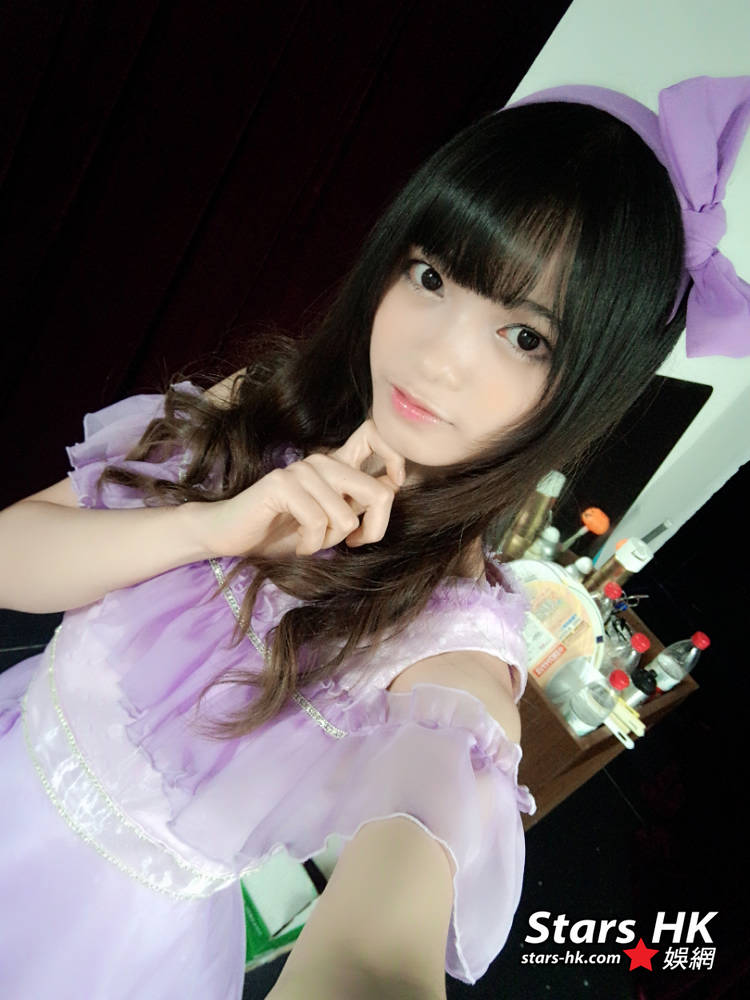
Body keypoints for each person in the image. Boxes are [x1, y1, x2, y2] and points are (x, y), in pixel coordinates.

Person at [1, 76, 748, 1000]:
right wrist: (208, 528)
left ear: (588, 388)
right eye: (431, 277)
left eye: (525, 336)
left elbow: (374, 961)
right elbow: (9, 556)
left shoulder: (453, 647)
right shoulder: (260, 408)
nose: (437, 356)